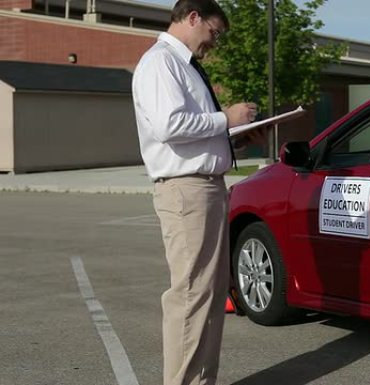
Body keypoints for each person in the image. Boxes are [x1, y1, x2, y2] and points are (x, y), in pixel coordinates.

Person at [131, 1, 264, 384]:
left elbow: (189, 135)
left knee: (208, 293)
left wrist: (232, 140)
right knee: (191, 296)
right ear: (193, 18)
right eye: (214, 32)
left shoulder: (182, 66)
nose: (214, 42)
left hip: (203, 187)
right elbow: (169, 125)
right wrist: (227, 118)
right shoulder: (161, 63)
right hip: (186, 190)